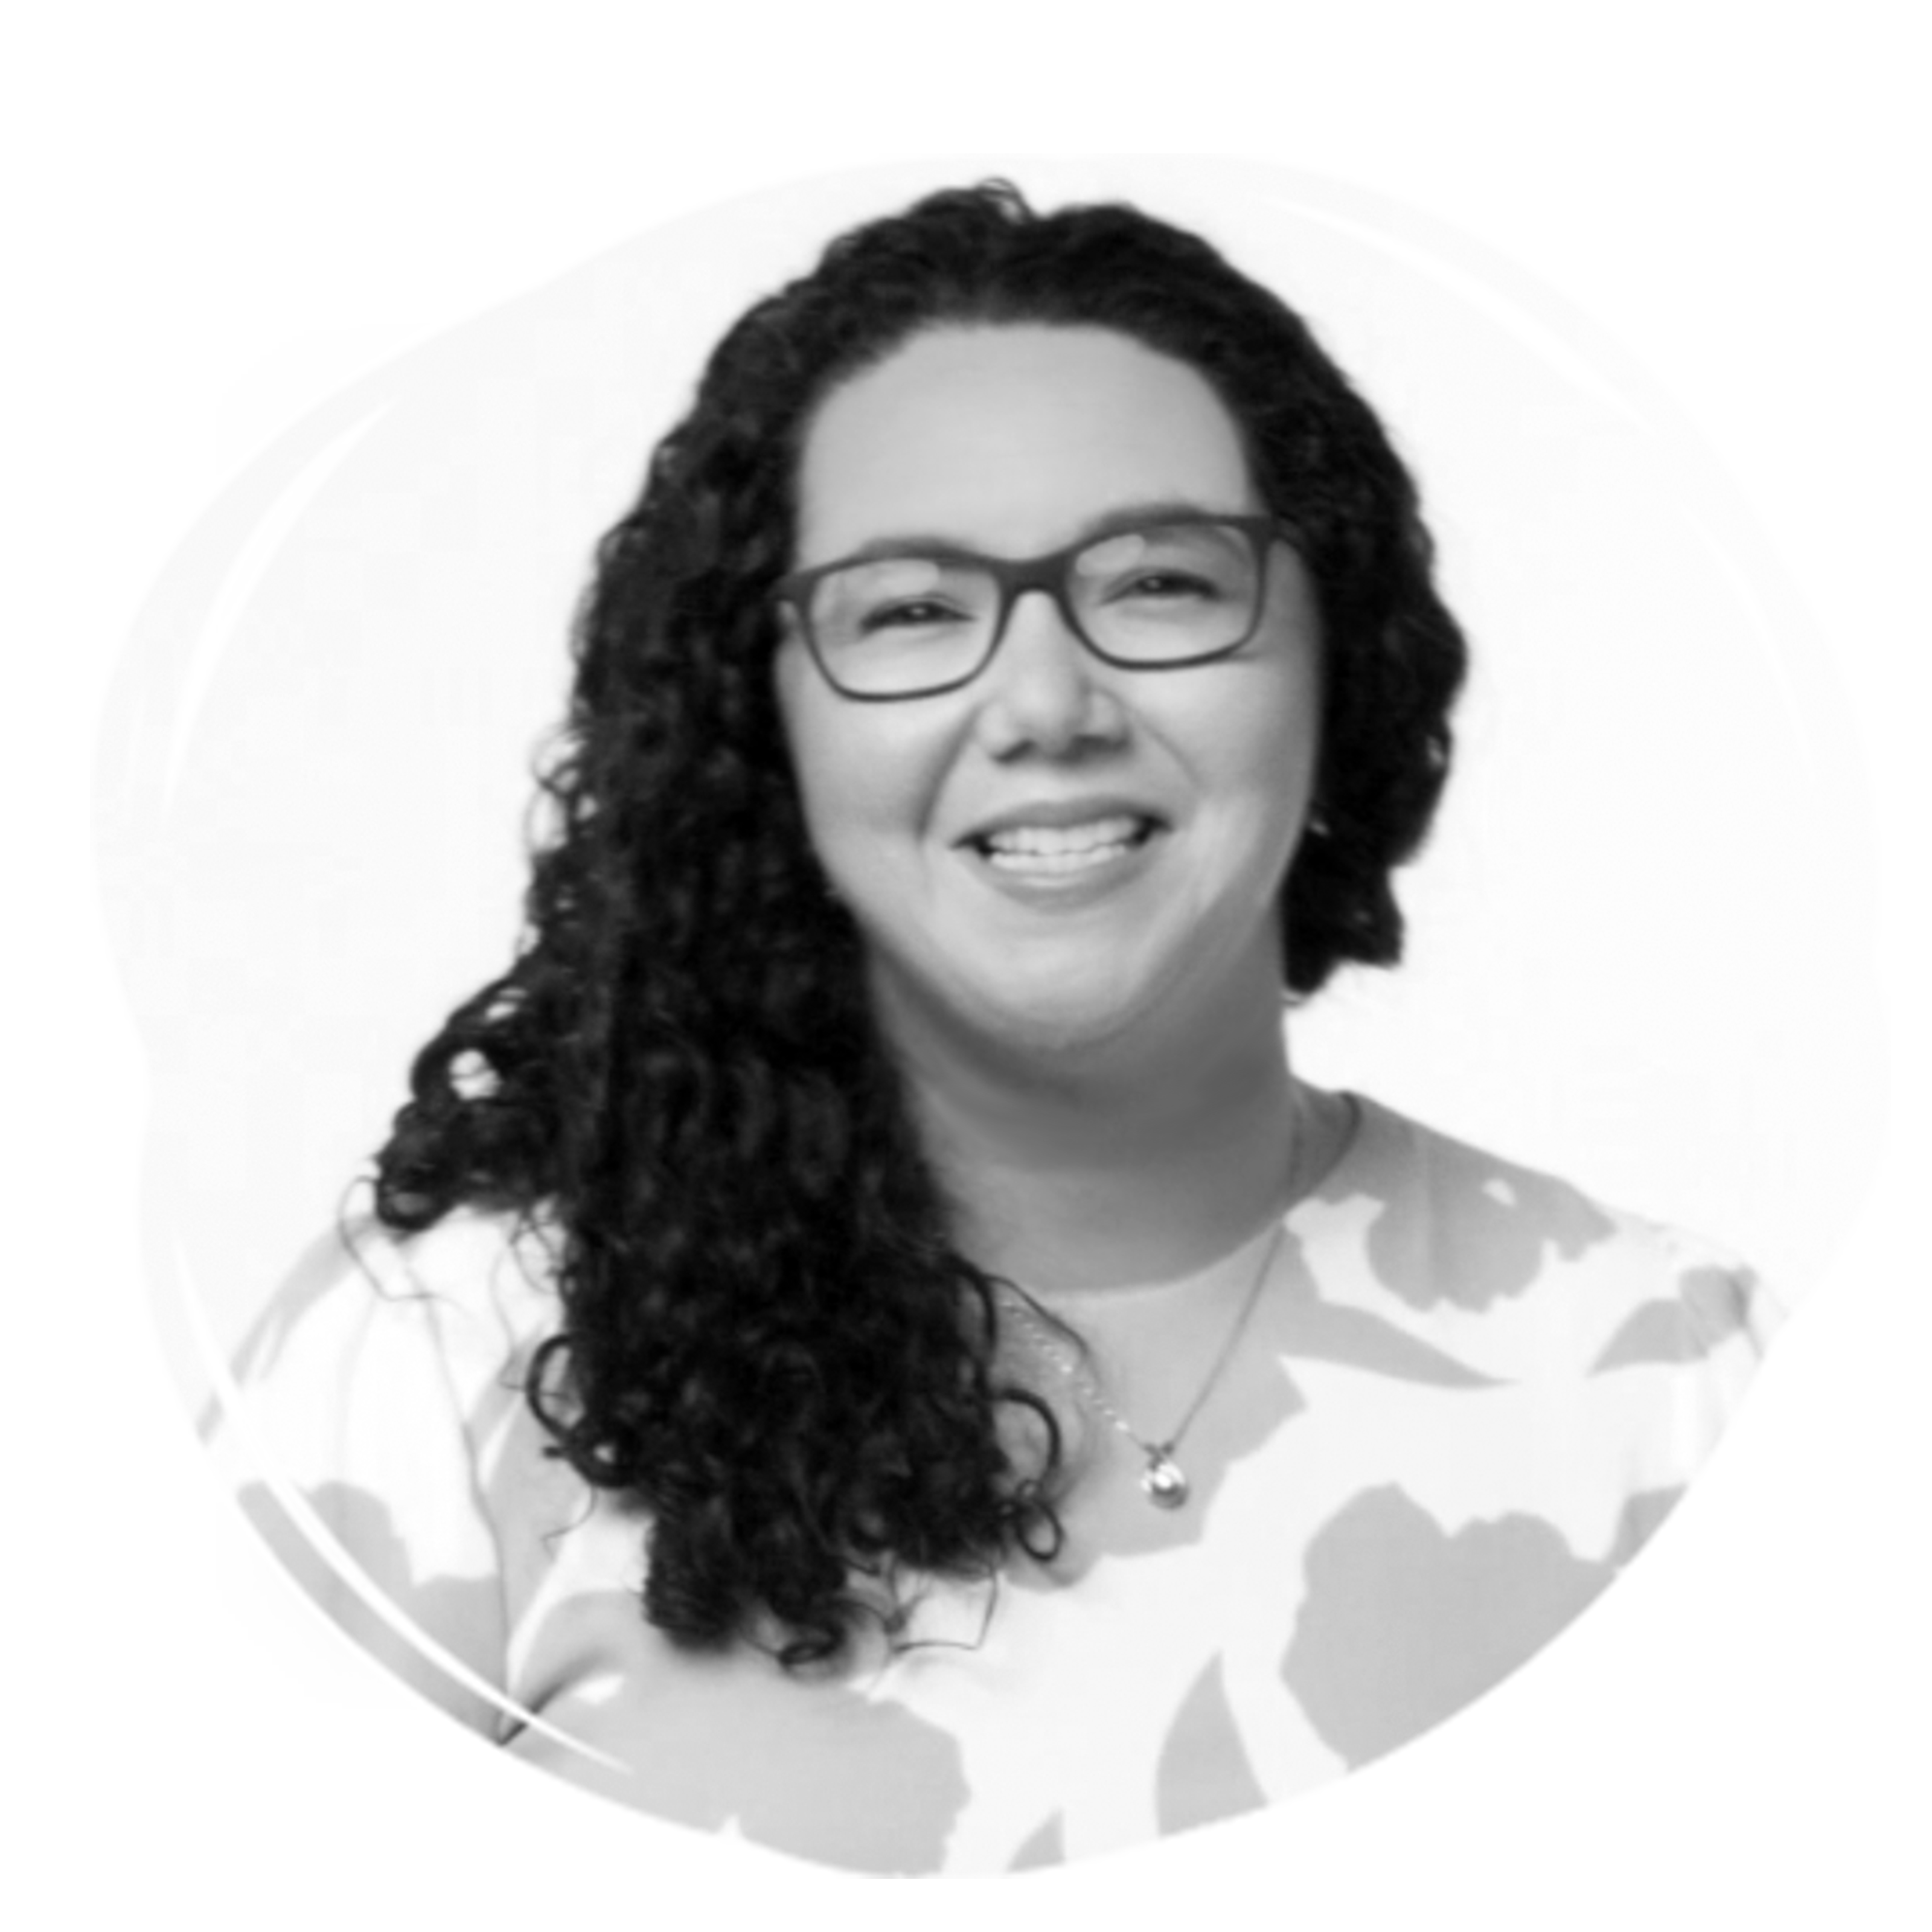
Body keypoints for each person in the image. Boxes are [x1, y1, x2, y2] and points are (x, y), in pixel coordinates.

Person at [90, 180, 1890, 1879]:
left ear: (1333, 657)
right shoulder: (447, 1364)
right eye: (912, 611)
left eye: (1160, 582)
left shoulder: (1670, 1384)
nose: (1045, 701)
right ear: (762, 725)